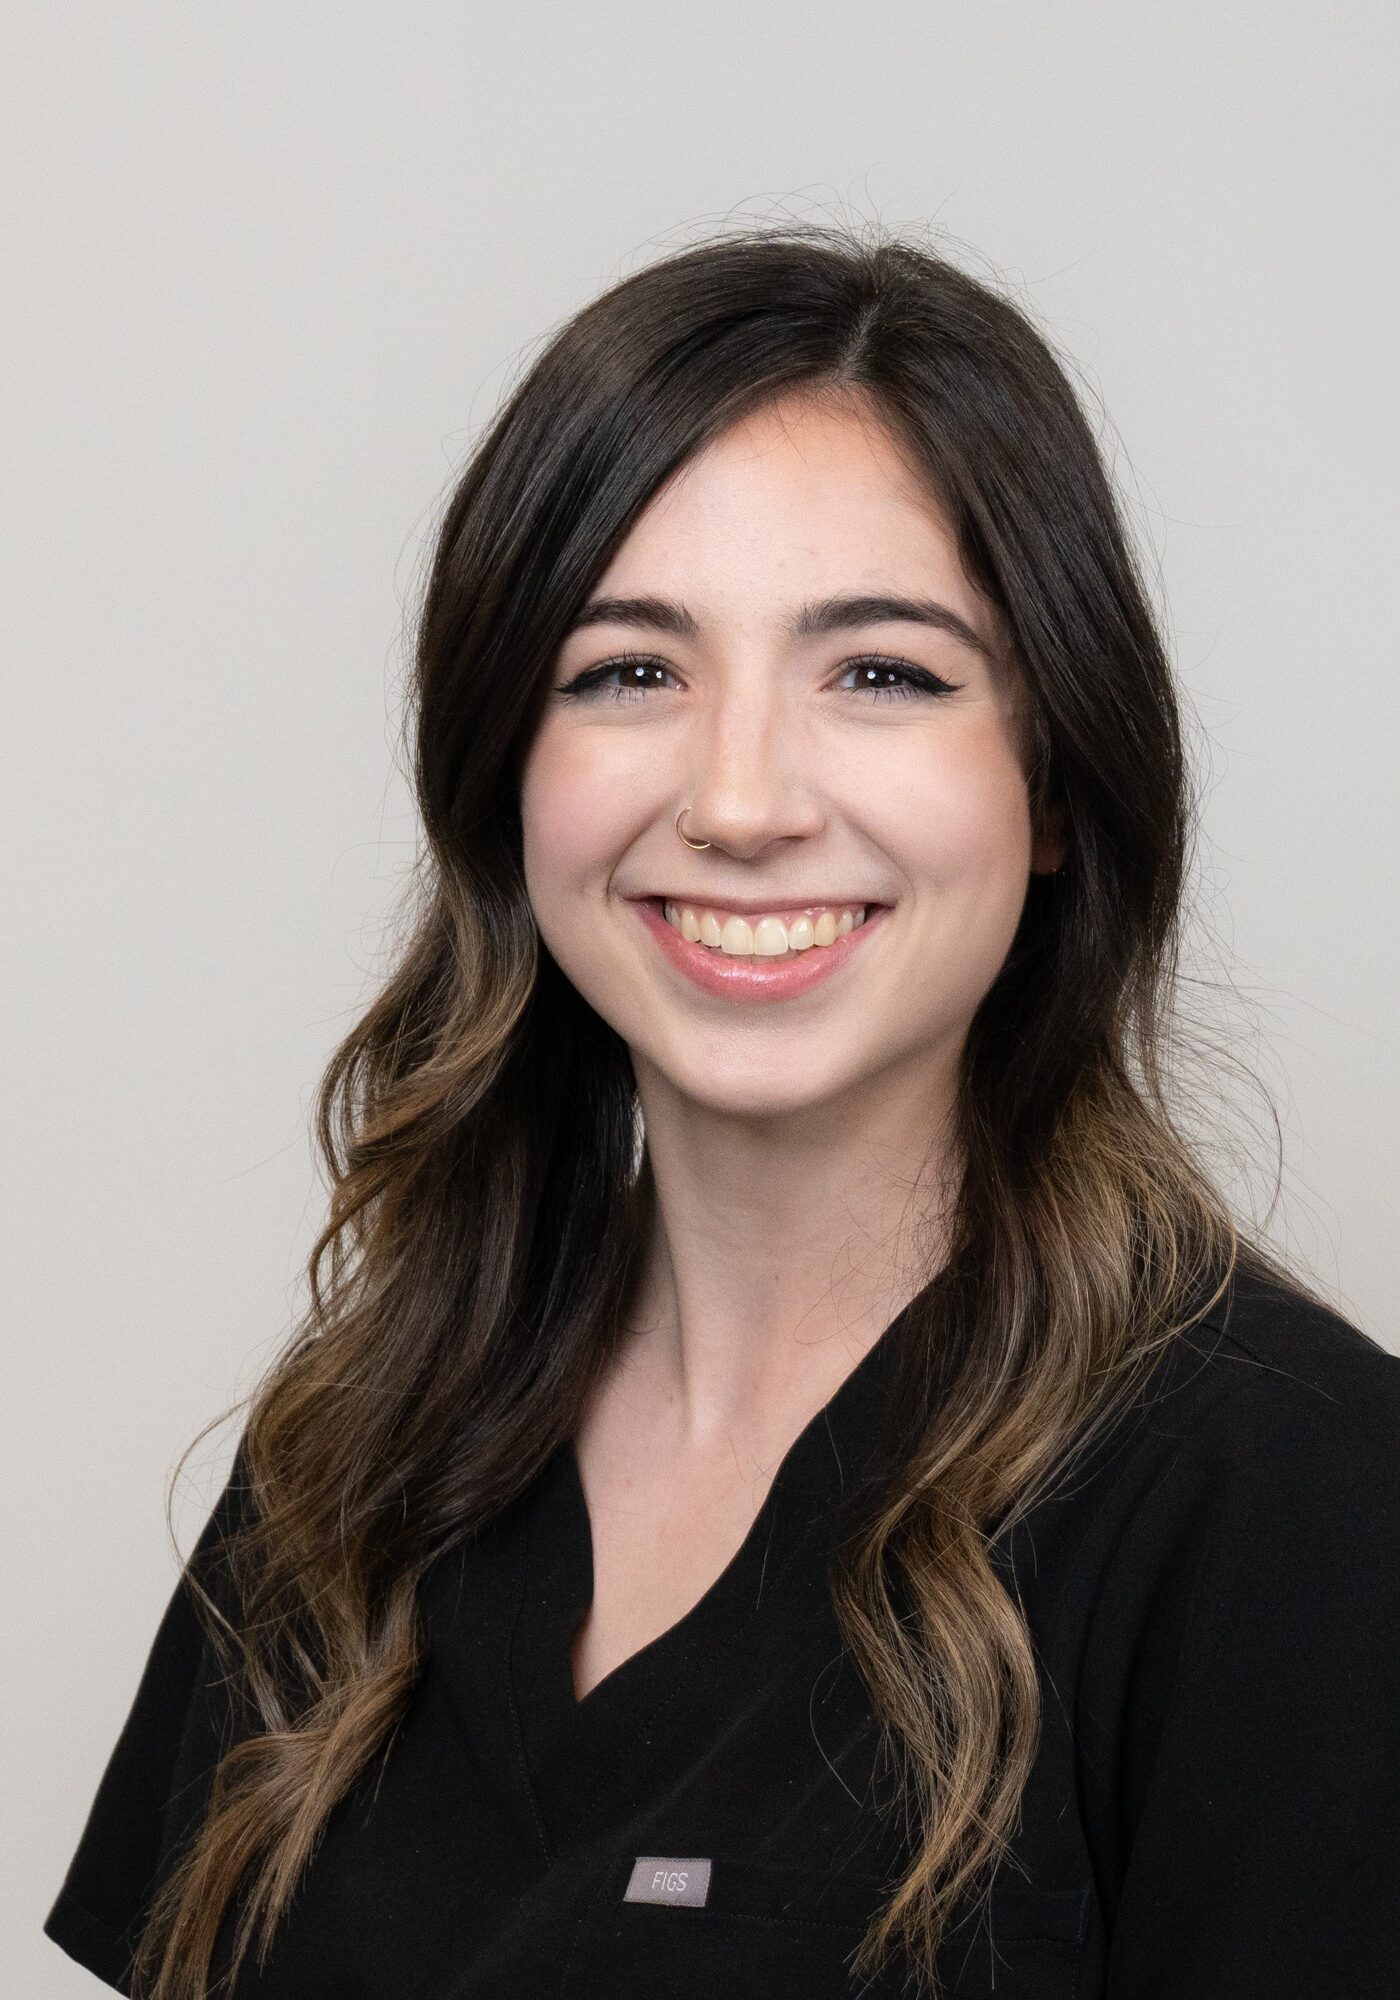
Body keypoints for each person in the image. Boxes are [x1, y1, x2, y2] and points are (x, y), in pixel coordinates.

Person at [44, 223, 1400, 2000]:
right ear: (508, 780)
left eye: (883, 673)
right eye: (629, 671)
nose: (742, 800)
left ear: (1055, 783)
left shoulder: (1296, 1513)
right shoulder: (353, 1461)